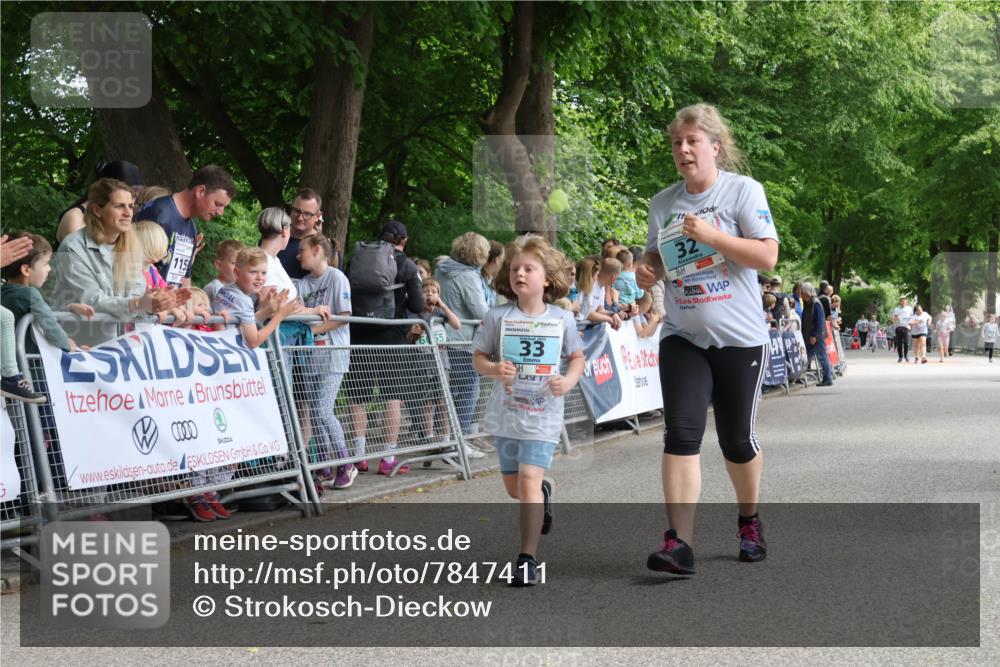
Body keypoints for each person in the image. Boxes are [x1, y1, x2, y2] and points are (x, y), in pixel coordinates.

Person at [635, 103, 779, 575]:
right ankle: (679, 543)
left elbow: (767, 257)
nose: (683, 149)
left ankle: (749, 521)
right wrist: (646, 270)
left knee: (737, 441)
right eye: (677, 142)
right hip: (683, 336)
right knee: (680, 434)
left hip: (740, 339)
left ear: (715, 146)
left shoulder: (742, 190)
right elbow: (655, 257)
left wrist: (714, 236)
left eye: (692, 141)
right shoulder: (663, 203)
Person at [472, 235, 584, 586]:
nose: (520, 274)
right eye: (515, 269)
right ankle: (543, 495)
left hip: (543, 414)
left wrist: (568, 380)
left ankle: (527, 558)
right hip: (507, 413)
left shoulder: (562, 319)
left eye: (529, 269)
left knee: (529, 481)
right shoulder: (497, 317)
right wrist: (494, 369)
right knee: (514, 488)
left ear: (546, 278)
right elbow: (479, 358)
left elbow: (577, 357)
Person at [52, 178, 181, 344]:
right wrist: (138, 303)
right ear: (97, 210)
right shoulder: (73, 247)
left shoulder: (132, 246)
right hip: (74, 345)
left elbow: (136, 298)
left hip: (115, 344)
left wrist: (153, 302)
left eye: (130, 206)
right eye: (119, 206)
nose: (128, 213)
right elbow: (91, 300)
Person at [344, 220, 425, 475]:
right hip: (392, 336)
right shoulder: (407, 265)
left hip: (359, 333)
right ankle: (388, 459)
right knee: (392, 396)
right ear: (404, 241)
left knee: (358, 396)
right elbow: (419, 305)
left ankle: (359, 457)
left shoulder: (358, 259)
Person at [1, 233, 94, 402]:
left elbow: (40, 313)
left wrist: (67, 308)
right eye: (45, 264)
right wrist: (69, 346)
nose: (49, 269)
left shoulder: (4, 293)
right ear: (26, 270)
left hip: (10, 369)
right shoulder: (30, 294)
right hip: (34, 371)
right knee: (42, 411)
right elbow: (50, 325)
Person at [295, 233, 356, 488]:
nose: (298, 255)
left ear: (317, 250)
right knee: (314, 411)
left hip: (333, 354)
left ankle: (346, 462)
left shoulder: (336, 277)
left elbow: (344, 315)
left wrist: (313, 331)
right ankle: (325, 464)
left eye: (302, 250)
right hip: (311, 357)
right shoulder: (302, 284)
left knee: (323, 410)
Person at [435, 231, 492, 453]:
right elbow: (480, 311)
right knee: (469, 390)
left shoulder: (442, 270)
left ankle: (446, 440)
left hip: (443, 337)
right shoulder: (467, 276)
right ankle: (461, 441)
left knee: (450, 391)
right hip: (462, 340)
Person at [134, 165, 235, 288]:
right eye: (218, 204)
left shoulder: (192, 229)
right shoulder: (158, 212)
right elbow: (129, 262)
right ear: (200, 191)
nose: (221, 212)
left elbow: (184, 278)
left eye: (223, 207)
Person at [409, 277, 472, 458]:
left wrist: (443, 305)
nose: (429, 295)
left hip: (442, 363)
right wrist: (414, 334)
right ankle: (430, 438)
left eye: (433, 292)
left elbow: (457, 324)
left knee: (444, 401)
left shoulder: (439, 312)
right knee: (428, 403)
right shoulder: (415, 313)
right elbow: (410, 339)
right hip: (423, 363)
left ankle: (446, 438)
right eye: (425, 292)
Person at [56, 160, 143, 243]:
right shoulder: (75, 218)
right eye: (131, 193)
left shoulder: (119, 219)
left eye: (136, 194)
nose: (134, 199)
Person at [277, 188, 323, 280]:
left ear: (318, 216)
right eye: (296, 211)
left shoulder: (325, 247)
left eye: (307, 214)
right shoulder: (273, 238)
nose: (300, 218)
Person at [801, 284, 834, 386]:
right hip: (812, 336)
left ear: (807, 293)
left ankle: (828, 378)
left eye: (802, 292)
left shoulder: (815, 303)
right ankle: (801, 377)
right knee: (810, 357)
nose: (801, 294)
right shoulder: (810, 303)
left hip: (816, 336)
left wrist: (814, 335)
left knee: (822, 357)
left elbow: (819, 322)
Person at [203, 240, 244, 304]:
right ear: (219, 265)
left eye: (242, 264)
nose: (239, 268)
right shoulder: (213, 288)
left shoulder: (238, 289)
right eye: (234, 263)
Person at [613, 248, 644, 314]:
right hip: (630, 308)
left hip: (616, 306)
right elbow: (639, 295)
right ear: (630, 264)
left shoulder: (614, 275)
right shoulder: (634, 277)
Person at [481, 240, 505, 309]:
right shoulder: (479, 280)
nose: (503, 262)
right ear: (497, 260)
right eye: (503, 258)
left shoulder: (489, 279)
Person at [891, 296, 913, 363]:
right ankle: (900, 356)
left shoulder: (909, 308)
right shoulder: (896, 309)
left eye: (904, 300)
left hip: (906, 327)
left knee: (906, 343)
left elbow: (912, 317)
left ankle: (906, 356)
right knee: (899, 343)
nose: (903, 302)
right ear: (900, 302)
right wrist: (895, 318)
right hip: (898, 327)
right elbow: (892, 318)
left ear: (906, 302)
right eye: (902, 301)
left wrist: (911, 324)